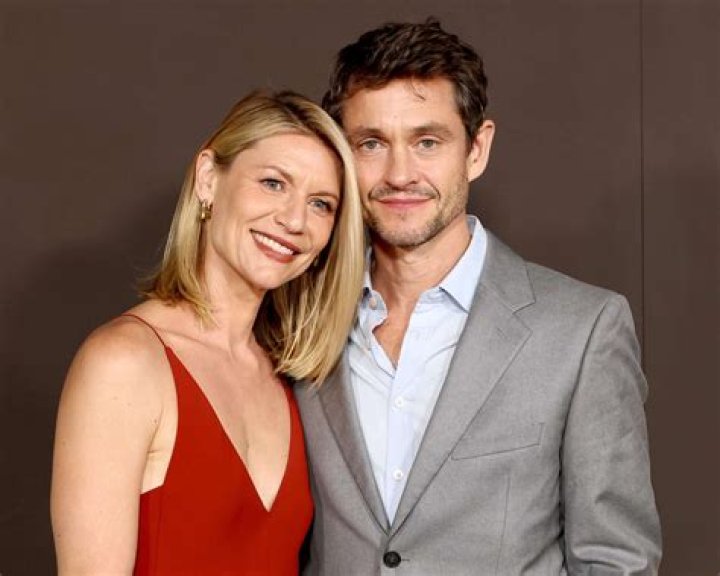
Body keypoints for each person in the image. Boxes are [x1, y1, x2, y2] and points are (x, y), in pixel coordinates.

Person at [295, 19, 662, 575]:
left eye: (427, 142)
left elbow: (616, 561)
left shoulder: (582, 331)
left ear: (476, 149)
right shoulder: (299, 320)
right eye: (372, 143)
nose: (399, 174)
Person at [50, 91, 364, 575]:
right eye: (273, 183)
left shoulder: (294, 380)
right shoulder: (123, 363)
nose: (294, 220)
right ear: (208, 179)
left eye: (321, 204)